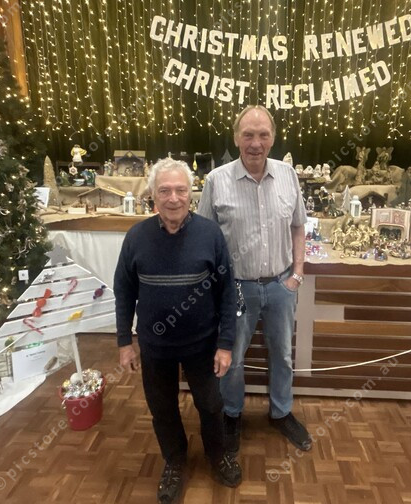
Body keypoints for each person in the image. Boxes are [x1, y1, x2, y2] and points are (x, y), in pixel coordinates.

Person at [114, 158, 242, 504]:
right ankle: (174, 460)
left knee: (211, 404)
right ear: (152, 196)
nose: (173, 198)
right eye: (165, 191)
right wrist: (125, 342)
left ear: (191, 193)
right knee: (162, 408)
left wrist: (225, 344)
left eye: (180, 190)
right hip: (155, 346)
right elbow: (124, 291)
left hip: (203, 344)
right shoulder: (136, 237)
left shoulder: (210, 234)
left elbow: (227, 292)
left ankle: (217, 455)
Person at [198, 105, 312, 454]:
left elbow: (298, 226)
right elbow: (203, 238)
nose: (255, 143)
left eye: (263, 135)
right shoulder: (216, 181)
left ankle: (281, 412)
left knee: (283, 356)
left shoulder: (288, 176)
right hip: (235, 290)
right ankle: (232, 414)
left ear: (273, 138)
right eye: (248, 135)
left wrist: (297, 274)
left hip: (281, 286)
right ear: (236, 138)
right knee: (232, 359)